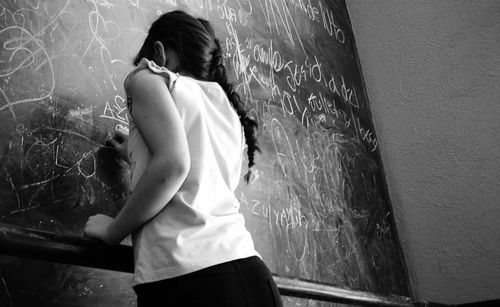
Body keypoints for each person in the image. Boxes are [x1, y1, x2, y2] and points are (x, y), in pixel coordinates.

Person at [84, 10, 283, 307]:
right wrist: (135, 155)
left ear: (160, 53)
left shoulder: (147, 77)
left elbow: (175, 165)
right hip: (254, 277)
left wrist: (113, 231)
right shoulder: (225, 108)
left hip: (191, 281)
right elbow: (199, 180)